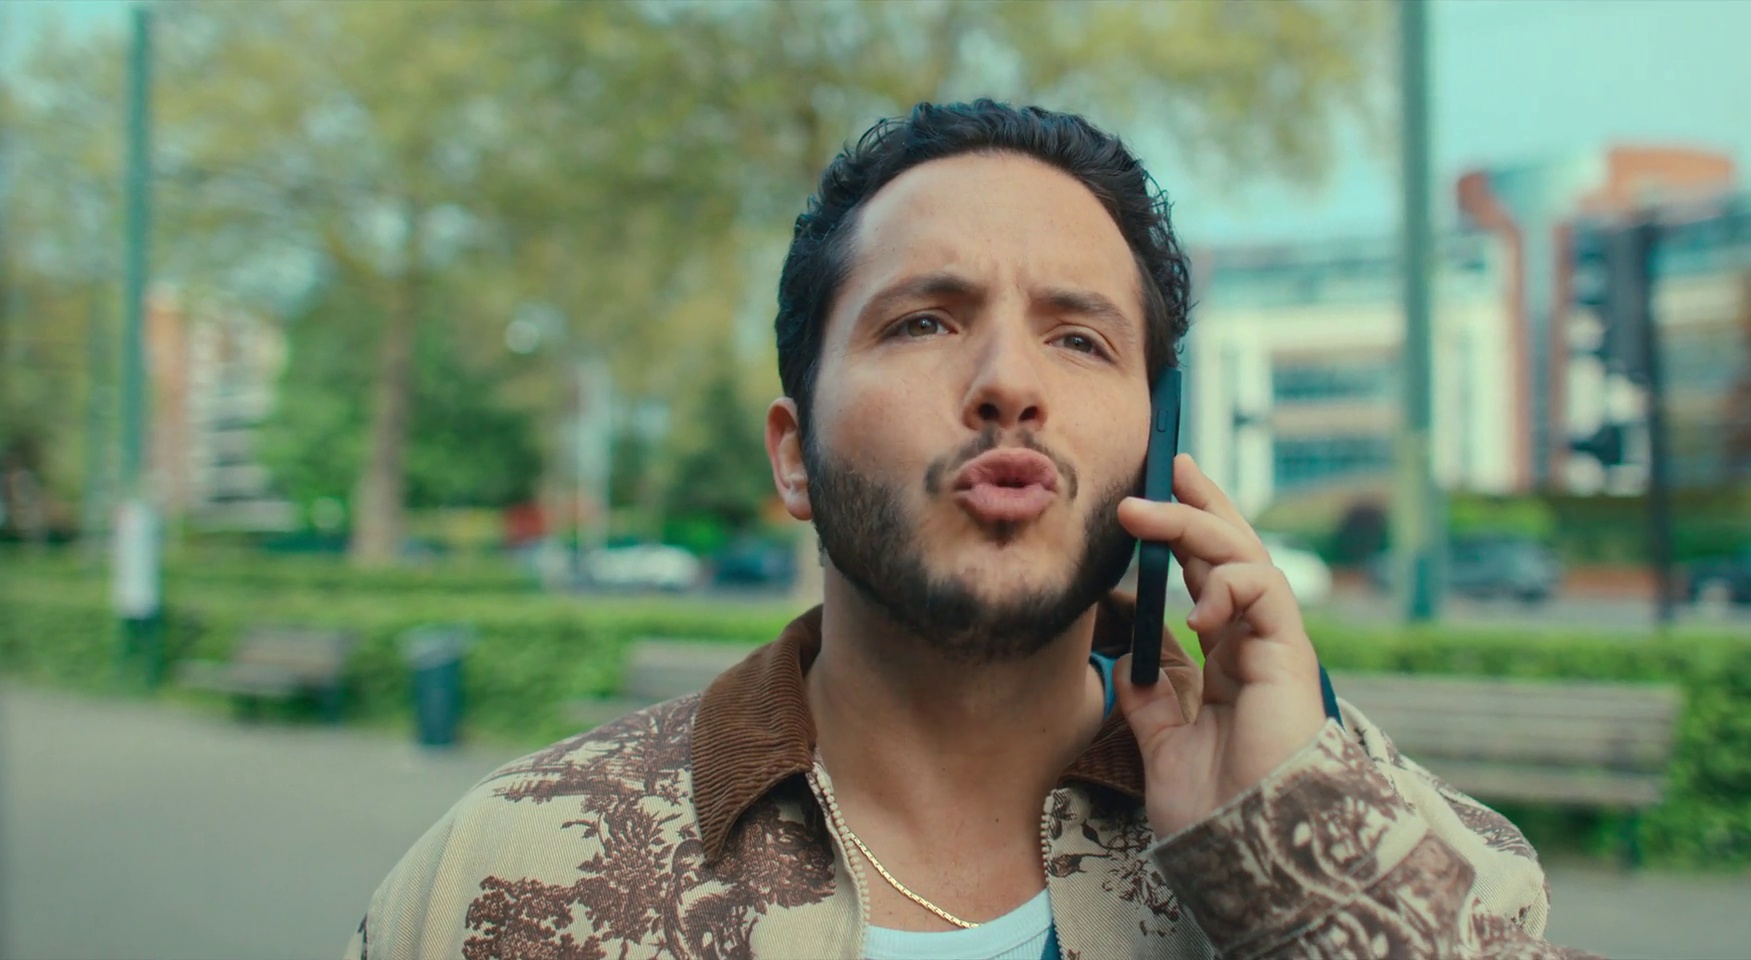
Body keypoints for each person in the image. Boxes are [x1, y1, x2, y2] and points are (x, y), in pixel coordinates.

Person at [347, 100, 1593, 960]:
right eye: (924, 322)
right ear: (794, 454)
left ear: (1158, 445)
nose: (1009, 383)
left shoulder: (1413, 862)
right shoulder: (501, 875)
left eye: (1080, 337)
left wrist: (1295, 851)